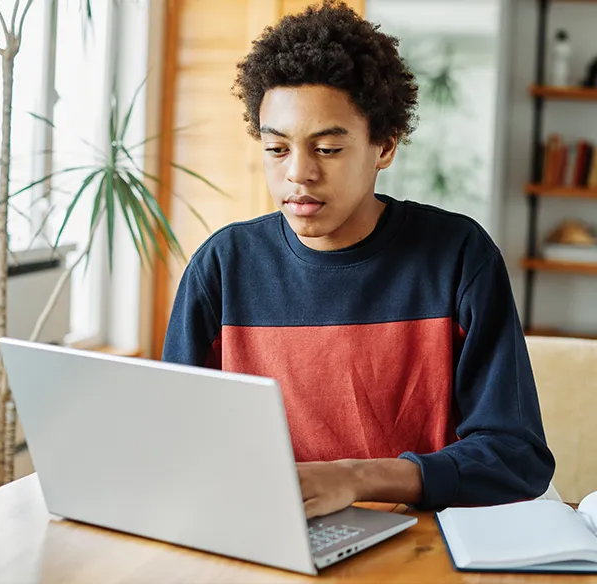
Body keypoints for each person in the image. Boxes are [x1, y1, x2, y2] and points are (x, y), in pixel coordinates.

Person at [162, 0, 554, 518]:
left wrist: (357, 477)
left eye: (326, 149)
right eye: (276, 149)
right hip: (266, 536)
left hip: (419, 546)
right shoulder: (222, 267)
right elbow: (173, 443)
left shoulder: (458, 258)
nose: (298, 174)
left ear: (385, 147)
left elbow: (517, 457)